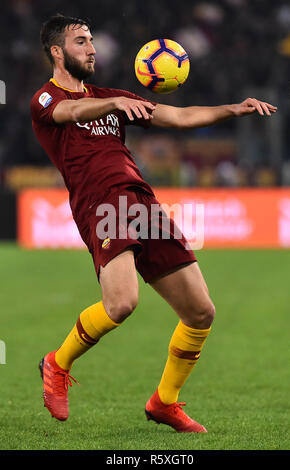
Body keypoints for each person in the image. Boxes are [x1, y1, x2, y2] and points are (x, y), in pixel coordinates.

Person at [31, 14, 277, 433]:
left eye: (92, 40)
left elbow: (178, 117)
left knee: (201, 312)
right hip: (101, 204)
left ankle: (165, 402)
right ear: (57, 51)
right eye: (80, 41)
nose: (91, 48)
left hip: (142, 202)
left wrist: (234, 109)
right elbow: (70, 111)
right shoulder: (45, 99)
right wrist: (113, 104)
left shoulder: (112, 95)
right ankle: (57, 362)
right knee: (121, 304)